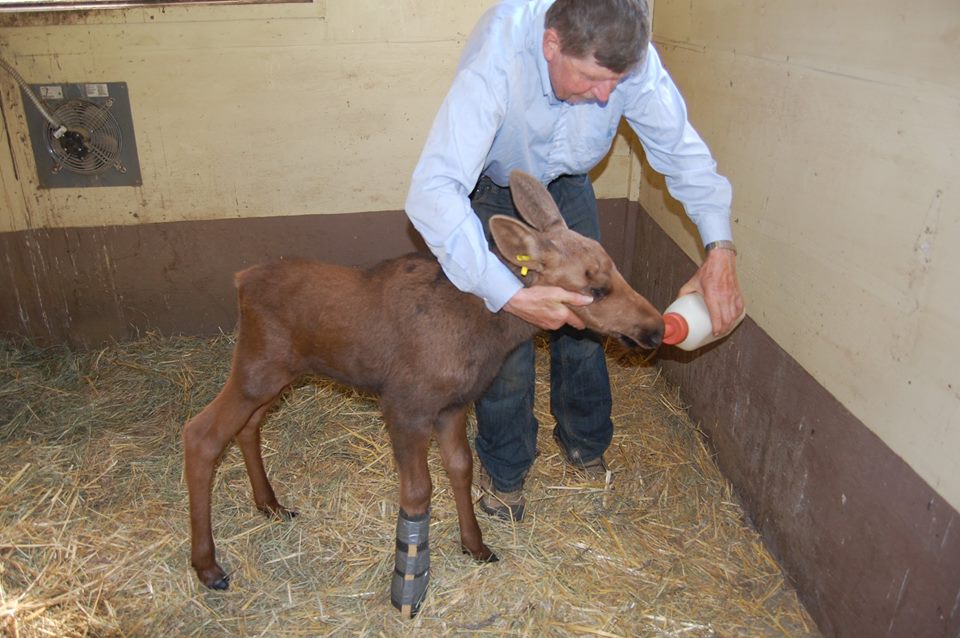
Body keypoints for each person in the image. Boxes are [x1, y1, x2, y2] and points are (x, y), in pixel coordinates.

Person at [404, 0, 744, 521]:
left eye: (618, 81)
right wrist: (512, 294)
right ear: (551, 45)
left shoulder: (629, 56)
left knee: (589, 326)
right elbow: (433, 191)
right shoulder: (498, 56)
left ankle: (585, 442)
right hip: (495, 187)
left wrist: (720, 249)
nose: (607, 96)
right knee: (507, 350)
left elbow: (680, 150)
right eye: (591, 78)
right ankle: (507, 474)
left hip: (567, 187)